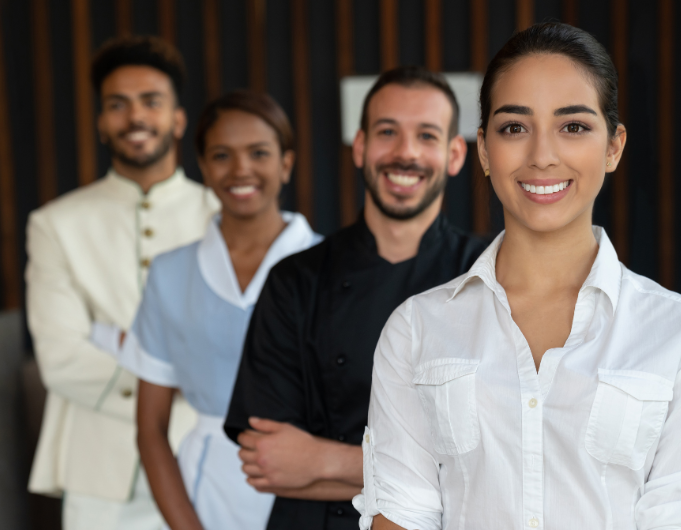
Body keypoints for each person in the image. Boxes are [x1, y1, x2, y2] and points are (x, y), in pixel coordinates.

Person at [356, 22, 681, 530]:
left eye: (573, 126)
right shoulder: (416, 330)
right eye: (515, 127)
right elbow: (400, 516)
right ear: (485, 150)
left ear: (614, 147)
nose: (542, 155)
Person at [223, 66, 488, 529]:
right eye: (388, 132)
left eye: (426, 135)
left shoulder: (488, 274)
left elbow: (502, 461)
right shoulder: (295, 281)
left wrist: (322, 461)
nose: (405, 153)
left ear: (454, 154)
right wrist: (438, 476)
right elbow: (267, 461)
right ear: (361, 147)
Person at [26, 36, 219, 530]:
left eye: (151, 101)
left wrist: (114, 343)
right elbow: (61, 357)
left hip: (208, 462)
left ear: (177, 119)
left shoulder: (220, 217)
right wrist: (178, 378)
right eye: (118, 104)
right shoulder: (56, 224)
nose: (135, 117)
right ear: (101, 123)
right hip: (97, 473)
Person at [119, 90, 322, 530]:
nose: (241, 169)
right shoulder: (171, 274)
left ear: (286, 163)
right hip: (207, 495)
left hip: (317, 491)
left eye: (259, 153)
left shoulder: (332, 267)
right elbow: (150, 429)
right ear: (203, 168)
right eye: (222, 155)